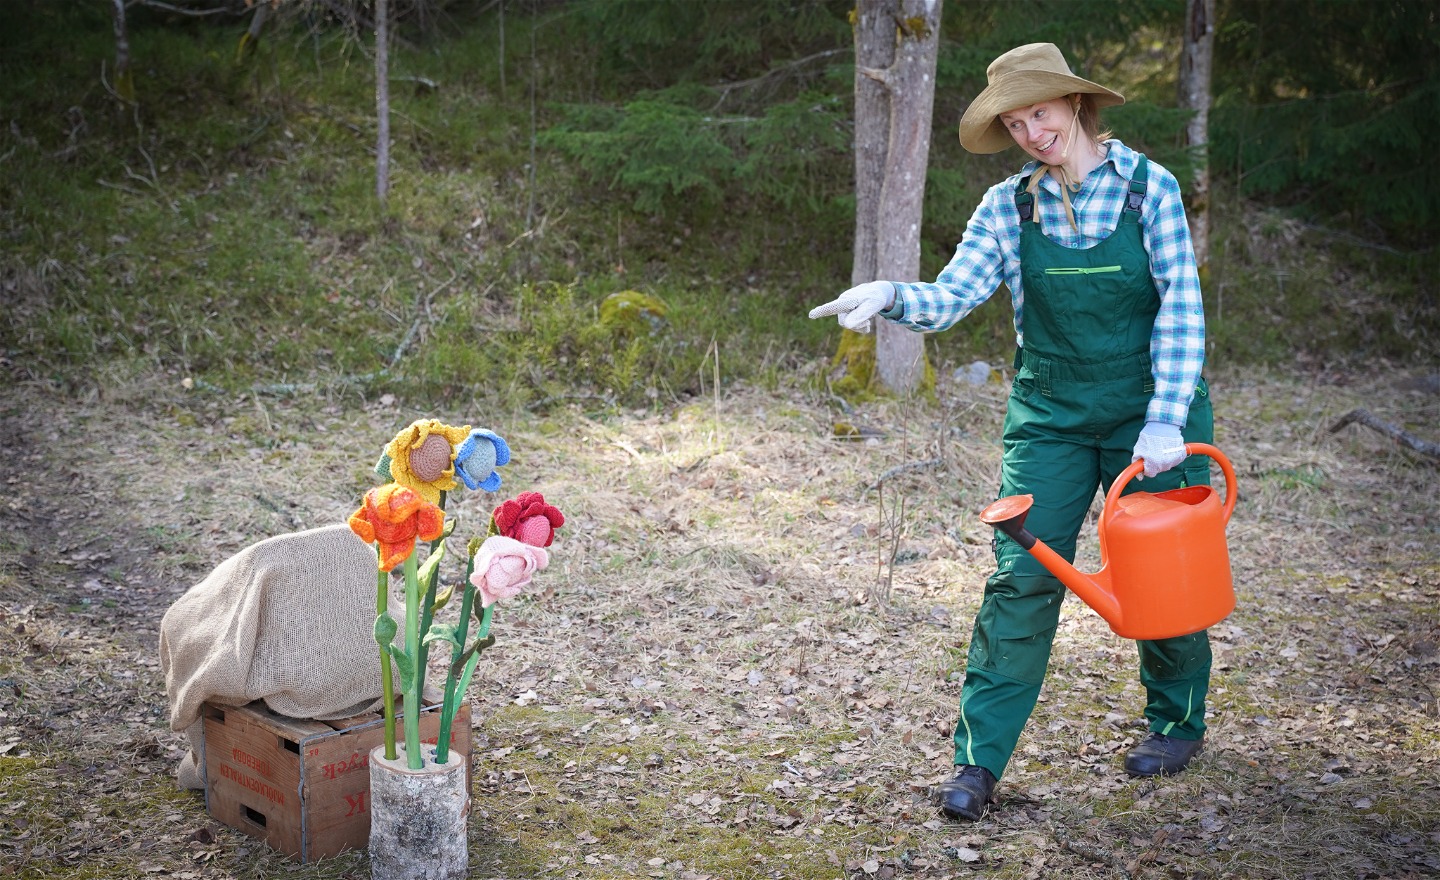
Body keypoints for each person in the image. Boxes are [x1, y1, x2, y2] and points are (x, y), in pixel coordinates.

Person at [808, 43, 1216, 822]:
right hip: (1051, 418)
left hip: (1151, 413)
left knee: (1164, 577)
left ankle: (1176, 721)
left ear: (1074, 106)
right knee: (1021, 578)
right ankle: (978, 762)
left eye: (1041, 113)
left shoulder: (1147, 190)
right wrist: (890, 293)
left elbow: (1182, 308)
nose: (1032, 132)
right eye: (1016, 122)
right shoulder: (1009, 205)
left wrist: (1166, 413)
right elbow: (956, 294)